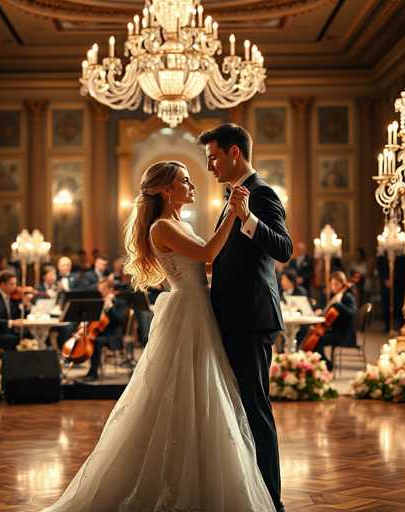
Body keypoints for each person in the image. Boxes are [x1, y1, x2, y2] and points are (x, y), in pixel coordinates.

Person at [42, 161, 276, 512]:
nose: (192, 185)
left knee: (205, 389)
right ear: (167, 190)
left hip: (199, 309)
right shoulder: (162, 227)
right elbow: (207, 253)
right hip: (188, 312)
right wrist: (232, 211)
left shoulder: (178, 223)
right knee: (182, 391)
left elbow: (207, 264)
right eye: (184, 181)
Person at [200, 123, 292, 512]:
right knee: (241, 409)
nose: (210, 167)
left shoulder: (262, 193)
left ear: (234, 152)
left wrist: (249, 218)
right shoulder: (230, 197)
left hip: (251, 320)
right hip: (231, 319)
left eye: (214, 157)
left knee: (256, 409)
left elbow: (283, 248)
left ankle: (272, 500)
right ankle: (249, 492)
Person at [84, 278, 127, 381]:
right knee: (88, 338)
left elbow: (121, 320)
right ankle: (90, 370)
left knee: (95, 341)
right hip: (100, 333)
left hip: (113, 336)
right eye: (99, 289)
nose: (100, 292)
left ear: (110, 289)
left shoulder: (119, 302)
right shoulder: (99, 302)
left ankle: (93, 373)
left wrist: (111, 307)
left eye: (103, 289)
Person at [313, 271, 357, 370]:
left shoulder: (347, 296)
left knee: (317, 340)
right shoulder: (336, 296)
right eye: (332, 284)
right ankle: (320, 364)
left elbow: (352, 314)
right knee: (315, 337)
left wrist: (339, 305)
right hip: (335, 331)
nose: (333, 287)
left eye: (336, 284)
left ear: (343, 284)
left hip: (344, 334)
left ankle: (327, 365)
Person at [0, 271, 32, 351]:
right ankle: (10, 362)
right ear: (2, 284)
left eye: (15, 284)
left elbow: (18, 315)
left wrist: (25, 305)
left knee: (29, 335)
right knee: (16, 339)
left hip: (8, 331)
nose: (15, 287)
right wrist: (11, 322)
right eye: (12, 284)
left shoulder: (12, 296)